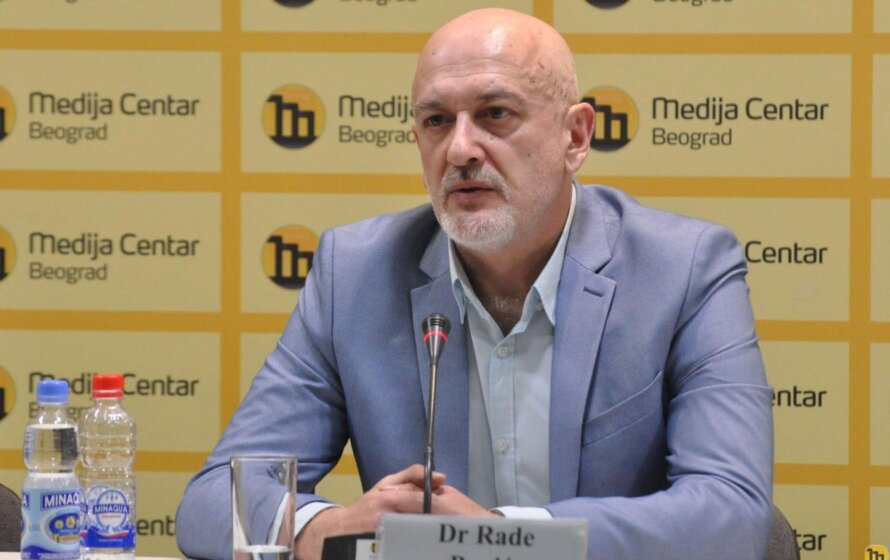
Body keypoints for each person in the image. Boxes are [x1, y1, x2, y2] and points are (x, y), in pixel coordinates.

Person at [176, 8, 773, 560]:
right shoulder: (354, 273)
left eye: (495, 114)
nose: (460, 149)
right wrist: (321, 529)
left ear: (575, 137)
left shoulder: (684, 268)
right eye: (437, 121)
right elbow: (212, 500)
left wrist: (499, 536)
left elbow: (734, 514)